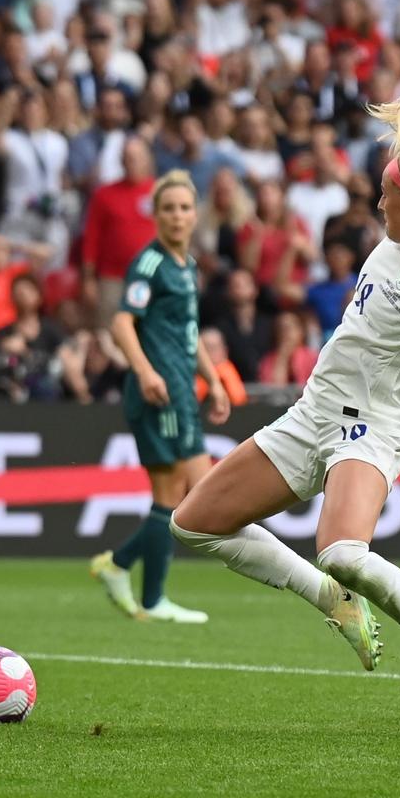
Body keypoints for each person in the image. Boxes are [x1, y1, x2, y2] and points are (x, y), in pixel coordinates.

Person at [171, 95, 400, 726]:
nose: (378, 202)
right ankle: (331, 600)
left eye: (386, 193)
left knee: (341, 549)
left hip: (372, 422)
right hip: (313, 411)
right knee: (192, 523)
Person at [91, 171, 231, 623]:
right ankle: (147, 593)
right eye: (167, 207)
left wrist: (215, 380)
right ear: (155, 215)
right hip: (158, 393)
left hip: (182, 392)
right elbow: (121, 323)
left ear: (195, 214)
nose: (176, 215)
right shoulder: (149, 264)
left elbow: (188, 337)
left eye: (184, 207)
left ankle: (121, 568)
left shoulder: (187, 266)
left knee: (187, 493)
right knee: (185, 493)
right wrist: (146, 370)